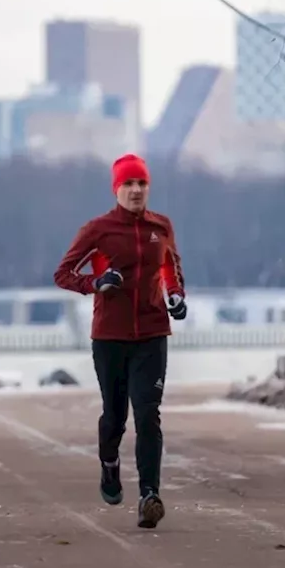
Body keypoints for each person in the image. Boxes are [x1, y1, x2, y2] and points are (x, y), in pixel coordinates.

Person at [53, 153, 187, 529]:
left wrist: (176, 296)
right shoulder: (98, 230)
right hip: (110, 336)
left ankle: (149, 495)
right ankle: (109, 465)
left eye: (141, 183)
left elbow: (170, 266)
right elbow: (63, 273)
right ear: (117, 189)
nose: (136, 190)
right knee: (115, 416)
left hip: (152, 333)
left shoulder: (161, 226)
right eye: (128, 184)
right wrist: (94, 283)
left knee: (148, 414)